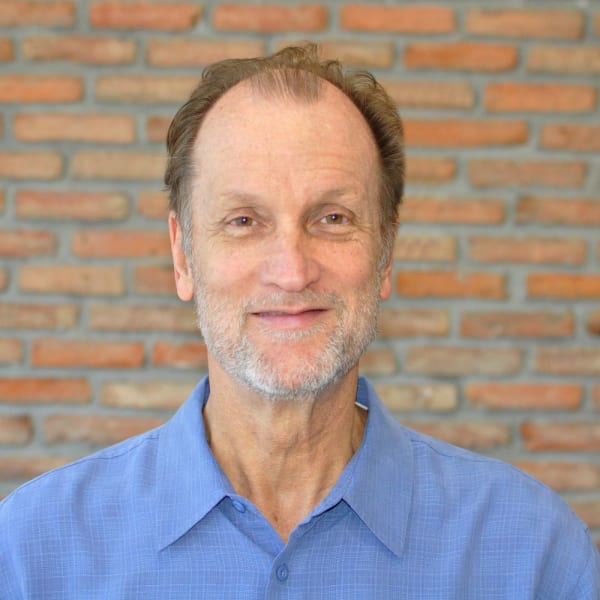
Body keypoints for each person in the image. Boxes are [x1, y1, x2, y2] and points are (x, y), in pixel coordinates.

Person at [0, 44, 598, 599]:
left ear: (386, 254)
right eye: (244, 221)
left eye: (333, 218)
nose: (291, 272)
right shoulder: (29, 555)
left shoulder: (535, 556)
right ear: (183, 256)